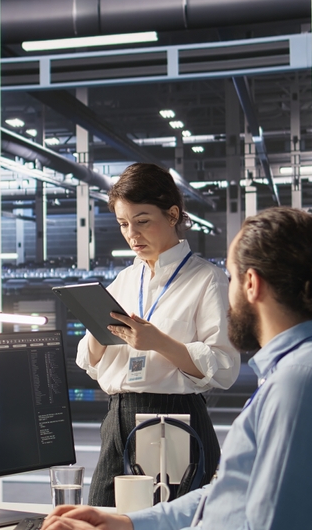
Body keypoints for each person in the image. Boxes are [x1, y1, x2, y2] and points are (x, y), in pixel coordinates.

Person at [45, 207, 312, 530]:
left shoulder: (302, 384)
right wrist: (129, 523)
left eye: (229, 277)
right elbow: (225, 496)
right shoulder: (302, 374)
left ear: (251, 284)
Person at [78, 163, 238, 506]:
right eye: (123, 224)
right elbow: (90, 363)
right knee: (99, 522)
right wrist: (96, 325)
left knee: (171, 523)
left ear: (173, 214)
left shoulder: (208, 279)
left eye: (142, 220)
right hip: (117, 418)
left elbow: (224, 366)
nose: (132, 234)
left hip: (172, 420)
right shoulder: (123, 280)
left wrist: (157, 342)